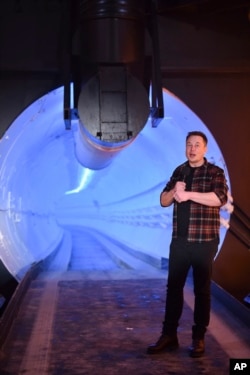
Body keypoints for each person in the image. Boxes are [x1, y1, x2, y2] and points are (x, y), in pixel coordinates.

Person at [147, 131, 228, 358]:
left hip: (204, 242)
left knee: (202, 290)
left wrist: (189, 194)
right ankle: (169, 335)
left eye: (197, 145)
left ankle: (198, 338)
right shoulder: (179, 171)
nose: (192, 149)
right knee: (173, 289)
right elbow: (163, 201)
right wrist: (175, 191)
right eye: (189, 145)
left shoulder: (215, 172)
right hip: (180, 242)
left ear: (205, 149)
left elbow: (219, 198)